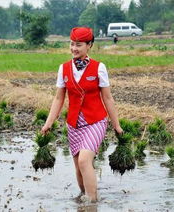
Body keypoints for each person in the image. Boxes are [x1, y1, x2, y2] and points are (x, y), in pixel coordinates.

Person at [41, 27, 123, 202]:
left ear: (89, 45)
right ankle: (84, 197)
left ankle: (92, 203)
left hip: (96, 120)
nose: (74, 48)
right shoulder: (63, 69)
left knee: (85, 161)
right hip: (74, 124)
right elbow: (58, 99)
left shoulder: (99, 68)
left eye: (78, 45)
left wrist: (116, 125)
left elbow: (107, 98)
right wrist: (48, 123)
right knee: (78, 167)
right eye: (72, 44)